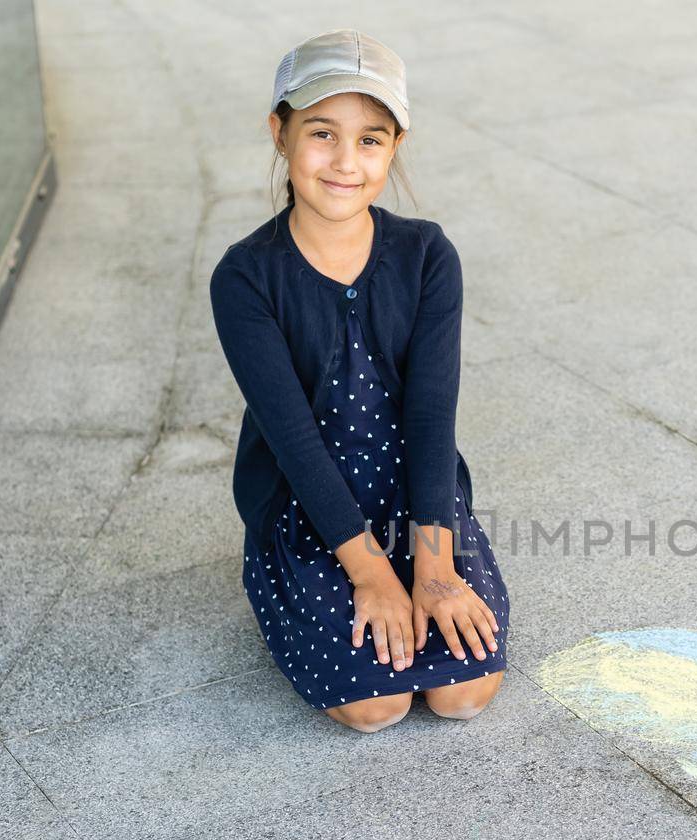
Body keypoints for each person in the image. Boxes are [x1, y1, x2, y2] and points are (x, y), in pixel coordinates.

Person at [208, 29, 509, 734]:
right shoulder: (246, 277)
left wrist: (432, 571)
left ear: (395, 146)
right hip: (311, 512)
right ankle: (280, 586)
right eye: (321, 133)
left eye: (370, 139)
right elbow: (292, 439)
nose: (346, 162)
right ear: (278, 133)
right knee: (375, 704)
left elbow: (434, 414)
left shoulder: (427, 255)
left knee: (463, 691)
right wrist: (372, 575)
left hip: (418, 498)